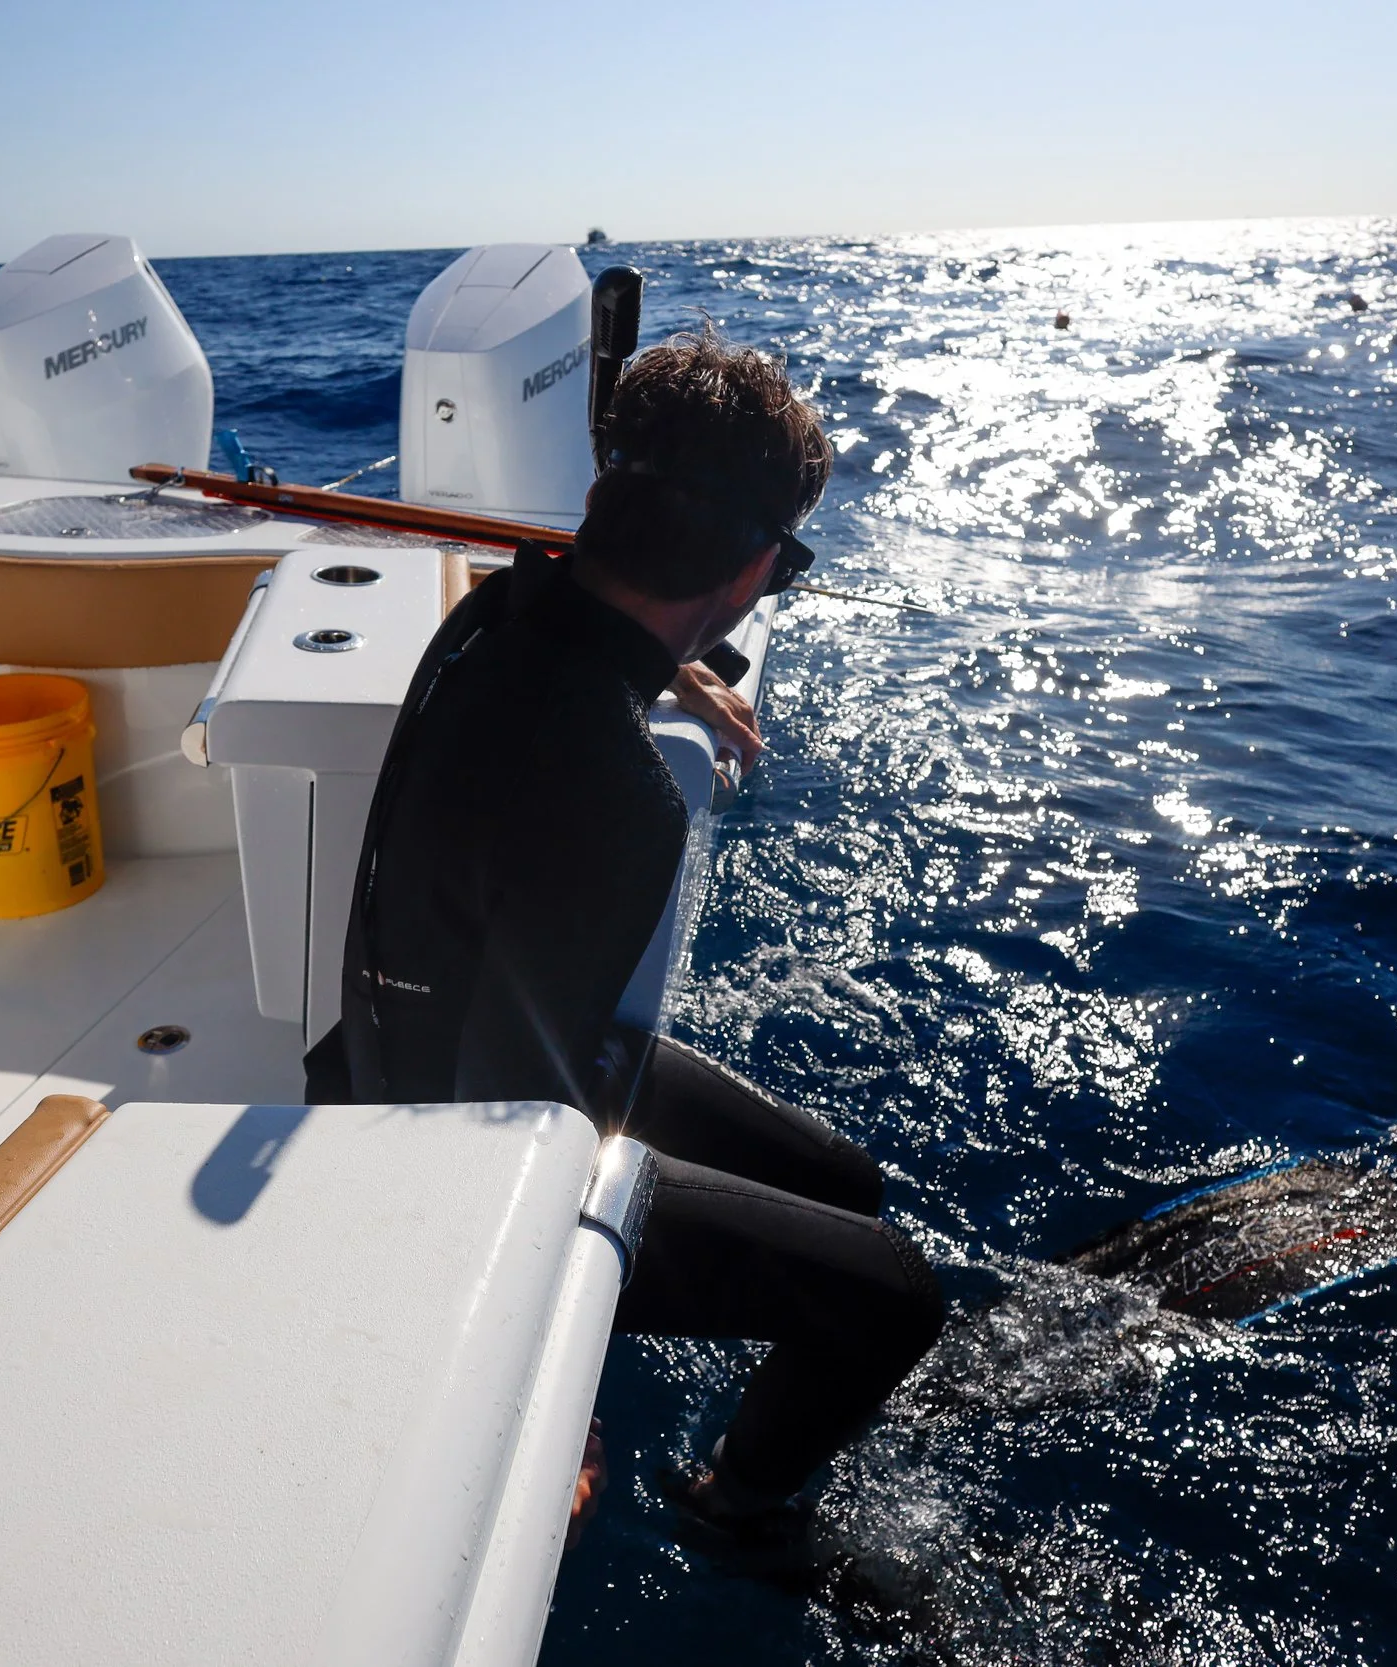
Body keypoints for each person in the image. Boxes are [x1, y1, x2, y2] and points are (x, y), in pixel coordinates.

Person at [306, 328, 943, 1553]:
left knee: (847, 1191)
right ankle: (737, 1508)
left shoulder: (496, 610)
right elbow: (504, 1128)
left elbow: (572, 646)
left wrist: (674, 672)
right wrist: (550, 1388)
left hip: (386, 1048)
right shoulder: (615, 794)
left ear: (603, 498)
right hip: (433, 1147)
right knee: (896, 1298)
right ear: (757, 569)